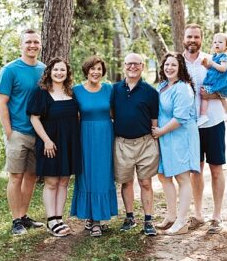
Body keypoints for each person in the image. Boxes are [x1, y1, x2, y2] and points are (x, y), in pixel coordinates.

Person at [0, 29, 46, 235]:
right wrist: (9, 132)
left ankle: (24, 216)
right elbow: (1, 102)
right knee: (16, 176)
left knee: (32, 176)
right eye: (28, 42)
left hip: (38, 133)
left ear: (40, 45)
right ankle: (15, 220)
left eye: (36, 42)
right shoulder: (10, 70)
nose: (32, 45)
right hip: (17, 132)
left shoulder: (44, 69)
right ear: (21, 45)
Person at [28, 57, 81, 237]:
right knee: (51, 182)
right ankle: (51, 220)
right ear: (49, 72)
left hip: (69, 142)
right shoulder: (41, 93)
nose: (59, 73)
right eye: (56, 70)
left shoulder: (71, 93)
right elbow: (34, 118)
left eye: (63, 70)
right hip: (50, 143)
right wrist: (47, 140)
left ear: (67, 74)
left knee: (64, 181)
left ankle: (59, 218)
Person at [183, 25, 227, 234]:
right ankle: (198, 214)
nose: (193, 39)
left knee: (216, 169)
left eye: (196, 37)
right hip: (190, 124)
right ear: (184, 39)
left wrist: (214, 96)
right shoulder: (178, 63)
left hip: (213, 121)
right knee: (195, 169)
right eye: (189, 36)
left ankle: (217, 217)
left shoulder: (213, 60)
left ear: (202, 39)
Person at [111, 53, 160, 236]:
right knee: (126, 182)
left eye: (137, 64)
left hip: (145, 142)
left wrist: (155, 143)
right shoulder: (114, 90)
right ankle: (129, 217)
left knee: (145, 182)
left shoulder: (150, 92)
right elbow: (110, 114)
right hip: (122, 142)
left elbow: (154, 121)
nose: (133, 67)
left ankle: (148, 220)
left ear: (143, 67)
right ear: (124, 66)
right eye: (129, 64)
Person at [151, 53, 200, 235]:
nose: (169, 68)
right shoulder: (163, 85)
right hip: (165, 138)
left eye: (173, 65)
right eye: (166, 64)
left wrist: (160, 131)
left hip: (180, 136)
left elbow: (180, 117)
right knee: (164, 175)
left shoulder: (183, 88)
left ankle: (181, 222)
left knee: (182, 178)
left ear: (180, 67)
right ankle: (171, 216)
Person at [70, 56, 119, 237]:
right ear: (86, 70)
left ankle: (98, 220)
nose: (96, 72)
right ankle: (90, 217)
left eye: (99, 69)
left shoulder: (109, 89)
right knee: (86, 173)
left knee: (102, 174)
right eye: (92, 68)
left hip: (105, 134)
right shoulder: (76, 91)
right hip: (85, 135)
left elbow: (114, 112)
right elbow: (73, 116)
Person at [199, 32, 227, 126]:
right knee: (213, 96)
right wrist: (206, 65)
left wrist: (212, 63)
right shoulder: (214, 56)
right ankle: (205, 115)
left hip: (220, 82)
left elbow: (223, 69)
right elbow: (211, 69)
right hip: (213, 80)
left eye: (220, 42)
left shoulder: (224, 56)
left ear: (226, 47)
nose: (217, 44)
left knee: (216, 97)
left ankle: (225, 113)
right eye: (215, 42)